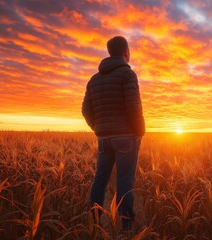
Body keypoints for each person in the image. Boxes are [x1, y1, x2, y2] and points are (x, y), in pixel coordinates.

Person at [81, 36, 145, 229]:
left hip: (103, 138)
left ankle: (95, 222)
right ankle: (126, 226)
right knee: (125, 181)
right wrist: (140, 131)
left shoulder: (93, 80)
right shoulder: (127, 75)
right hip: (126, 137)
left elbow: (85, 110)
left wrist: (99, 128)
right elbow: (134, 106)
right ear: (126, 52)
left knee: (100, 179)